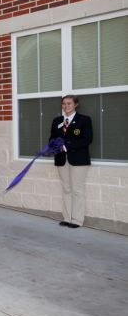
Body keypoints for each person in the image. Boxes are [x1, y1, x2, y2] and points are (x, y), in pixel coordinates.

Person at [50, 95, 93, 229]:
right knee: (67, 189)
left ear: (76, 105)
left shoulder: (84, 120)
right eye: (64, 104)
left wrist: (67, 146)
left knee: (77, 190)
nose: (66, 106)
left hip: (78, 160)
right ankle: (67, 218)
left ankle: (77, 220)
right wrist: (54, 146)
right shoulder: (57, 120)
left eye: (69, 103)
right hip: (62, 159)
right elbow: (52, 139)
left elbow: (87, 140)